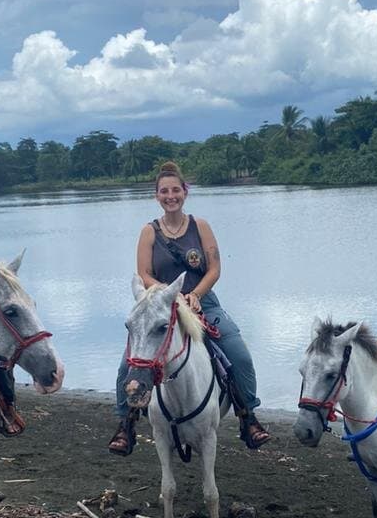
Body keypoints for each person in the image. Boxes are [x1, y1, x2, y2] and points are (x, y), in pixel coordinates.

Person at [108, 160, 269, 455]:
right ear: (157, 196)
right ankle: (126, 423)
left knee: (239, 355)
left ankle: (248, 416)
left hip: (202, 303)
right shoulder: (149, 232)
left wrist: (193, 294)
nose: (171, 196)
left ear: (185, 192)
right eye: (164, 191)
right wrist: (171, 297)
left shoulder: (200, 226)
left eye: (176, 190)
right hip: (159, 307)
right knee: (127, 365)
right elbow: (143, 274)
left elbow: (215, 268)